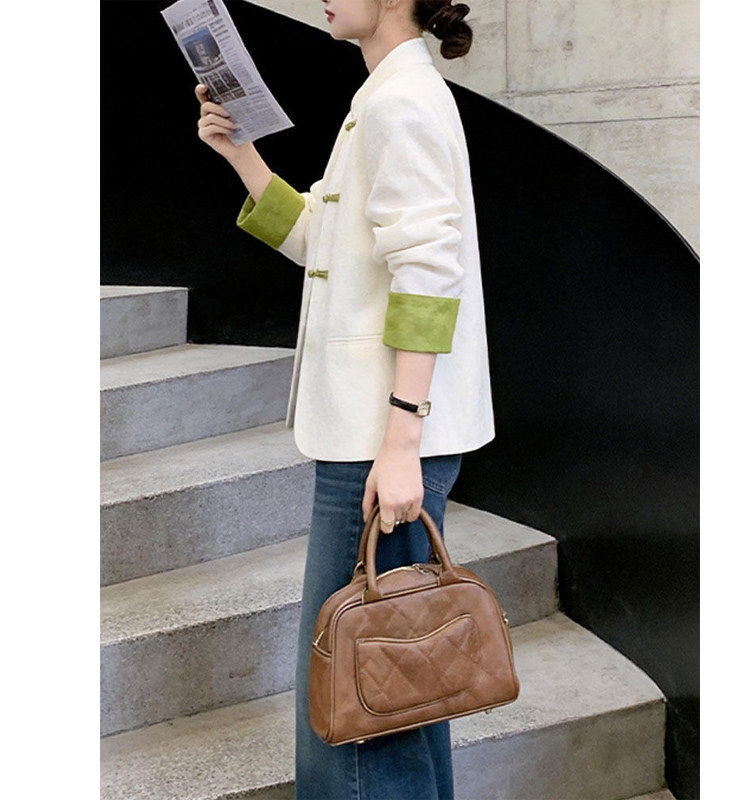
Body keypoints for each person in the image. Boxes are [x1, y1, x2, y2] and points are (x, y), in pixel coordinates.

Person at [195, 1, 492, 797]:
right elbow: (320, 242)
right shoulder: (387, 94)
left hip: (379, 441)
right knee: (399, 683)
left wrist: (400, 443)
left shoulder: (399, 102)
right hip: (379, 437)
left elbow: (429, 275)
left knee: (355, 697)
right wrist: (241, 154)